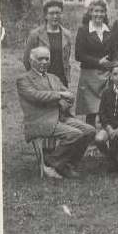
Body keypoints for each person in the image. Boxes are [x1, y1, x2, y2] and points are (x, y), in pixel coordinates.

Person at [17, 46, 95, 178]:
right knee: (74, 134)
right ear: (31, 61)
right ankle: (56, 162)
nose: (44, 62)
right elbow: (36, 96)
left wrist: (63, 101)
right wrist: (59, 95)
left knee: (89, 130)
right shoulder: (24, 79)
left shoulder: (53, 77)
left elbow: (69, 96)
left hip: (60, 117)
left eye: (47, 59)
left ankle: (64, 163)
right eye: (40, 59)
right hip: (40, 120)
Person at [75, 0, 113, 127]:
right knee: (91, 112)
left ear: (105, 13)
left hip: (106, 75)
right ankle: (90, 140)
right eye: (96, 11)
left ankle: (103, 140)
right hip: (89, 75)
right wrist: (98, 61)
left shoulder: (109, 30)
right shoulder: (83, 30)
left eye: (102, 11)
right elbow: (78, 55)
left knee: (106, 110)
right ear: (90, 12)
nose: (99, 14)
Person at [23, 0, 72, 87]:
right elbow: (27, 60)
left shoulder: (67, 34)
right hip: (42, 81)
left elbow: (67, 59)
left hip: (62, 81)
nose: (55, 16)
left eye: (58, 13)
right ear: (46, 16)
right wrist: (36, 77)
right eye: (51, 13)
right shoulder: (35, 35)